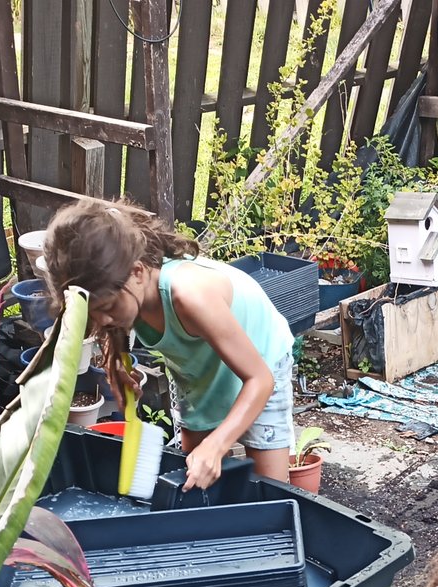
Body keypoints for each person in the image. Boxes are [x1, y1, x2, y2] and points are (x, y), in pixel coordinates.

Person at [40, 198, 295, 490]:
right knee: (192, 475)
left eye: (108, 307)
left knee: (269, 488)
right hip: (196, 368)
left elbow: (260, 380)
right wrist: (115, 359)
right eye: (92, 312)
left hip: (260, 361)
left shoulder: (190, 296)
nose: (103, 320)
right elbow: (110, 317)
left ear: (137, 272)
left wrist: (216, 445)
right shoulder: (122, 291)